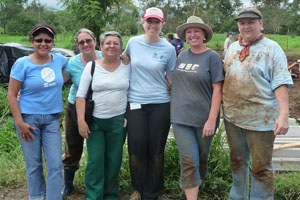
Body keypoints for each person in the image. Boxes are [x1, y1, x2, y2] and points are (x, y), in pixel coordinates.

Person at [222, 7, 293, 199]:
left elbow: (280, 82)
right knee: (237, 160)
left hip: (261, 120)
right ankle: (238, 196)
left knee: (261, 166)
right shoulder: (233, 48)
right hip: (232, 117)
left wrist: (284, 115)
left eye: (251, 22)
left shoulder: (272, 49)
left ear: (260, 24)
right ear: (238, 25)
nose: (246, 26)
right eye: (242, 22)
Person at [7, 24, 68, 200]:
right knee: (34, 164)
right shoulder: (22, 64)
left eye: (48, 40)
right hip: (28, 120)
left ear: (53, 43)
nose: (43, 44)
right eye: (39, 40)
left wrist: (116, 56)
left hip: (51, 120)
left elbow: (81, 62)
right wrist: (19, 122)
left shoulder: (59, 60)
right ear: (32, 42)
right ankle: (37, 197)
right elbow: (11, 94)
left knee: (55, 164)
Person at [123, 7, 176, 200]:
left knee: (156, 149)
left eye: (157, 22)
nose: (153, 25)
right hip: (136, 102)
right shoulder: (133, 42)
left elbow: (171, 77)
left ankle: (153, 192)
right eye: (149, 21)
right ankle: (138, 188)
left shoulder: (169, 49)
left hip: (161, 103)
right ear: (143, 22)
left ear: (162, 24)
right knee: (136, 148)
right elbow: (124, 61)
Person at [171, 16, 224, 200]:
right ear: (185, 36)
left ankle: (195, 184)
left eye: (196, 31)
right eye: (189, 32)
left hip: (204, 119)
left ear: (204, 35)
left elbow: (217, 91)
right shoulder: (181, 55)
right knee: (189, 159)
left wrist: (211, 119)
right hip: (180, 117)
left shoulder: (212, 58)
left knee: (201, 158)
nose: (192, 35)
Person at [76, 31, 130, 200]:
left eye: (116, 43)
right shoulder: (92, 67)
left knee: (114, 161)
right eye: (108, 43)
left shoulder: (128, 66)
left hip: (118, 122)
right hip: (95, 123)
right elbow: (81, 95)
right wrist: (81, 121)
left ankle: (110, 195)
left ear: (121, 48)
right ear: (101, 46)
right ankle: (93, 196)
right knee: (95, 162)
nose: (112, 46)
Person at [61, 28, 103, 196]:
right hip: (75, 106)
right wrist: (23, 89)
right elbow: (56, 81)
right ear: (77, 45)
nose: (86, 44)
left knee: (99, 146)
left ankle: (99, 182)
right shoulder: (72, 63)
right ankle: (68, 183)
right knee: (73, 145)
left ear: (94, 41)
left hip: (100, 108)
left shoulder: (106, 55)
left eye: (88, 40)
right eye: (81, 42)